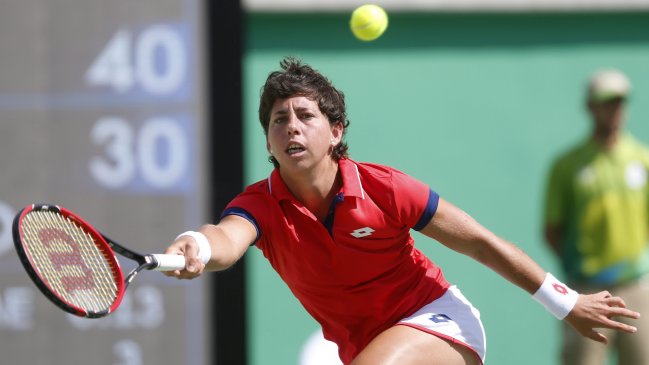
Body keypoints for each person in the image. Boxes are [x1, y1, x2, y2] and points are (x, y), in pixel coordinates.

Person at [165, 58, 639, 365]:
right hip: (363, 348)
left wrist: (565, 302)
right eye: (279, 120)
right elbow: (228, 236)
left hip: (439, 324)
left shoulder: (384, 188)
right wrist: (201, 245)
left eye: (305, 116)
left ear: (335, 131)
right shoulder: (259, 206)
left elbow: (481, 242)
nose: (292, 127)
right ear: (268, 139)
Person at [543, 69, 649, 365]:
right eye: (606, 102)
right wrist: (581, 270)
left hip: (636, 287)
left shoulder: (643, 159)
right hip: (587, 290)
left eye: (619, 102)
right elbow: (553, 230)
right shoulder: (567, 165)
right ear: (590, 106)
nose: (614, 110)